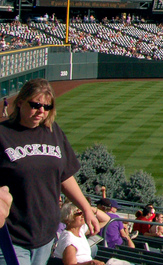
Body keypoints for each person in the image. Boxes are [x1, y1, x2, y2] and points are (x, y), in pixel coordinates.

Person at [0, 78, 99, 265]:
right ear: (20, 102)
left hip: (45, 236)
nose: (41, 111)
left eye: (47, 107)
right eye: (35, 104)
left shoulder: (53, 132)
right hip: (11, 235)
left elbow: (64, 175)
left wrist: (86, 207)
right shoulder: (3, 134)